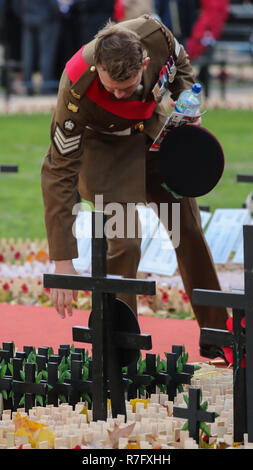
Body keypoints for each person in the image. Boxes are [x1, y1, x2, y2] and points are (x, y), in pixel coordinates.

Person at [41, 15, 228, 334]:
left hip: (152, 137)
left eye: (125, 90)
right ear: (98, 67)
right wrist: (63, 259)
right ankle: (119, 341)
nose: (116, 96)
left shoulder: (156, 37)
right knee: (125, 242)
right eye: (110, 89)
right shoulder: (76, 88)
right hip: (104, 152)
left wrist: (186, 96)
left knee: (188, 229)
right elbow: (59, 170)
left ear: (143, 63)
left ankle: (217, 333)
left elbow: (179, 60)